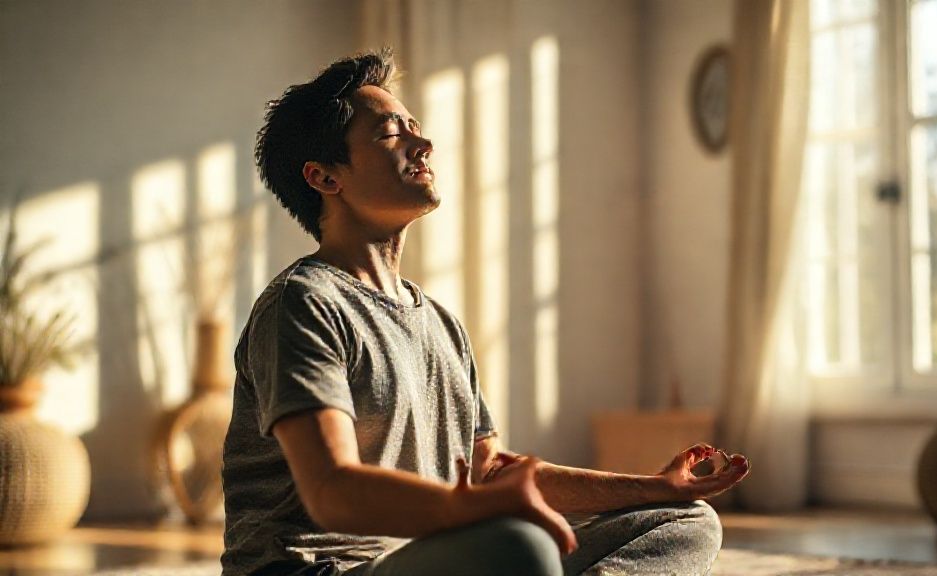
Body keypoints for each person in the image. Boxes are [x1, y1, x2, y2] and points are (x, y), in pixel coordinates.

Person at [220, 47, 750, 576]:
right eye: (390, 134)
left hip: (427, 562)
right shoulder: (305, 303)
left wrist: (657, 487)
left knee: (687, 520)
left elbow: (491, 471)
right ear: (325, 178)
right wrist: (468, 511)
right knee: (519, 546)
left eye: (415, 127)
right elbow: (330, 489)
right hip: (322, 571)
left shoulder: (441, 324)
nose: (422, 144)